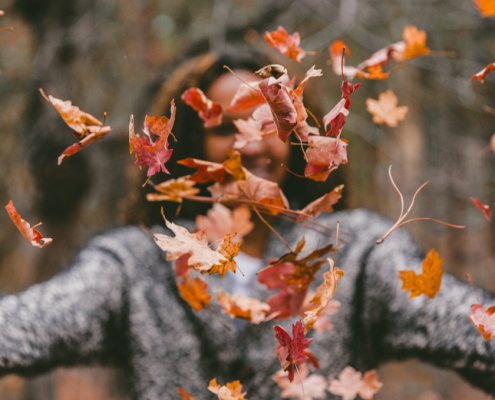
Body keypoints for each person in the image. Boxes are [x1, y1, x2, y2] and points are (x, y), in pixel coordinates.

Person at [1, 43, 494, 400]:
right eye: (224, 130)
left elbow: (469, 330)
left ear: (296, 136)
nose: (252, 143)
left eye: (269, 122)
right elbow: (28, 325)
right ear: (192, 148)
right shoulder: (137, 265)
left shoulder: (357, 251)